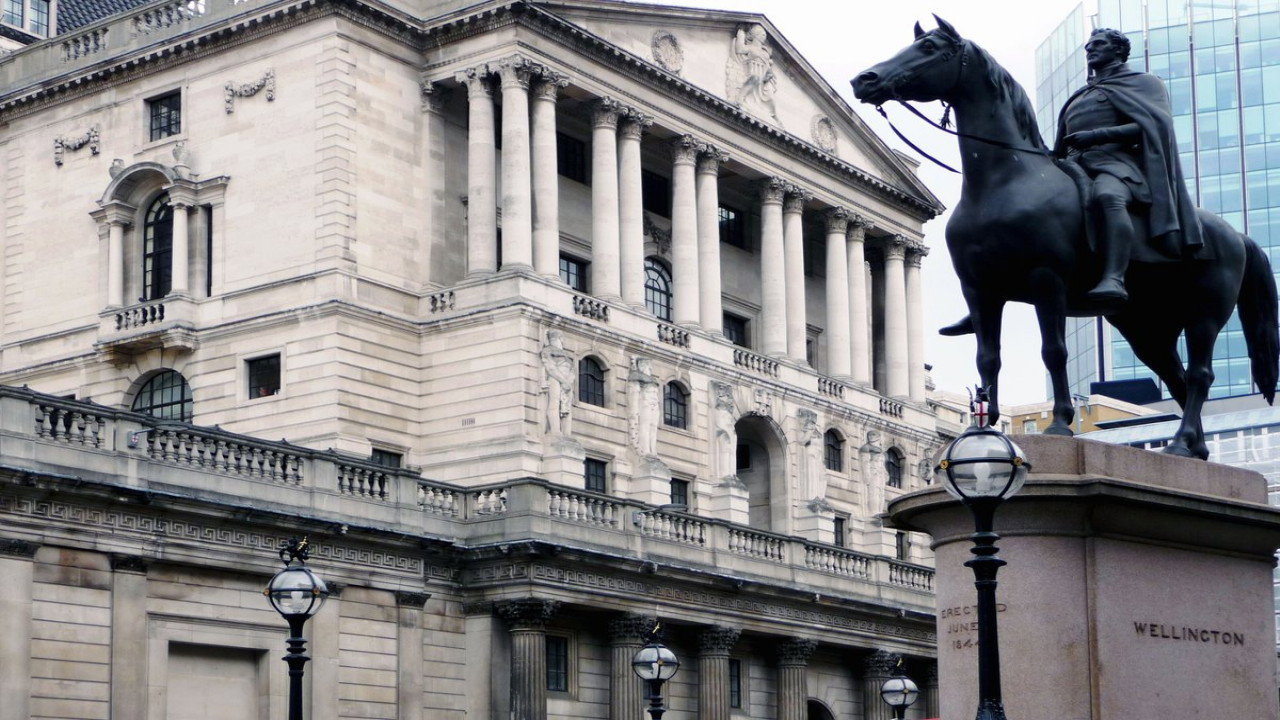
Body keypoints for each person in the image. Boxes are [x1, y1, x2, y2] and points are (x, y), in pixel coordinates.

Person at [939, 28, 1202, 335]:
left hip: (1118, 165)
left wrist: (1098, 135)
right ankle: (986, 297)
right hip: (1074, 165)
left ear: (1119, 51)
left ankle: (1113, 277)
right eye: (1088, 47)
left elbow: (1156, 125)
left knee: (1108, 197)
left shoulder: (1143, 83)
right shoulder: (1082, 95)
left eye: (1098, 45)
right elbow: (1062, 141)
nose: (1090, 51)